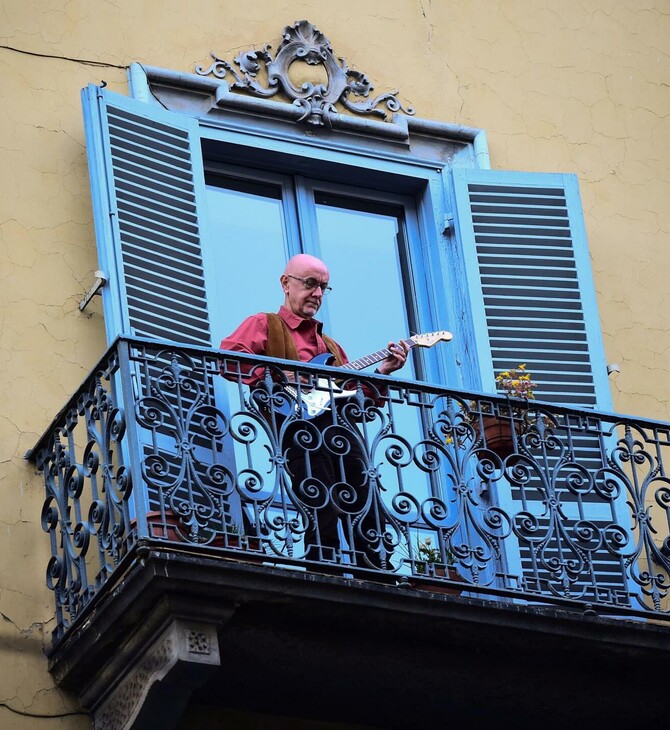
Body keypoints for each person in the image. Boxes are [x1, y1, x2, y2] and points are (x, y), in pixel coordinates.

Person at [220, 254, 408, 570]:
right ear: (286, 283)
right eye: (310, 284)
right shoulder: (265, 324)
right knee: (320, 498)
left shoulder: (332, 349)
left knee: (366, 499)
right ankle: (323, 567)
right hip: (298, 427)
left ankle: (377, 570)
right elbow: (227, 358)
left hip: (341, 432)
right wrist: (278, 372)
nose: (317, 294)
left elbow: (359, 403)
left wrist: (384, 373)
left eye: (323, 287)